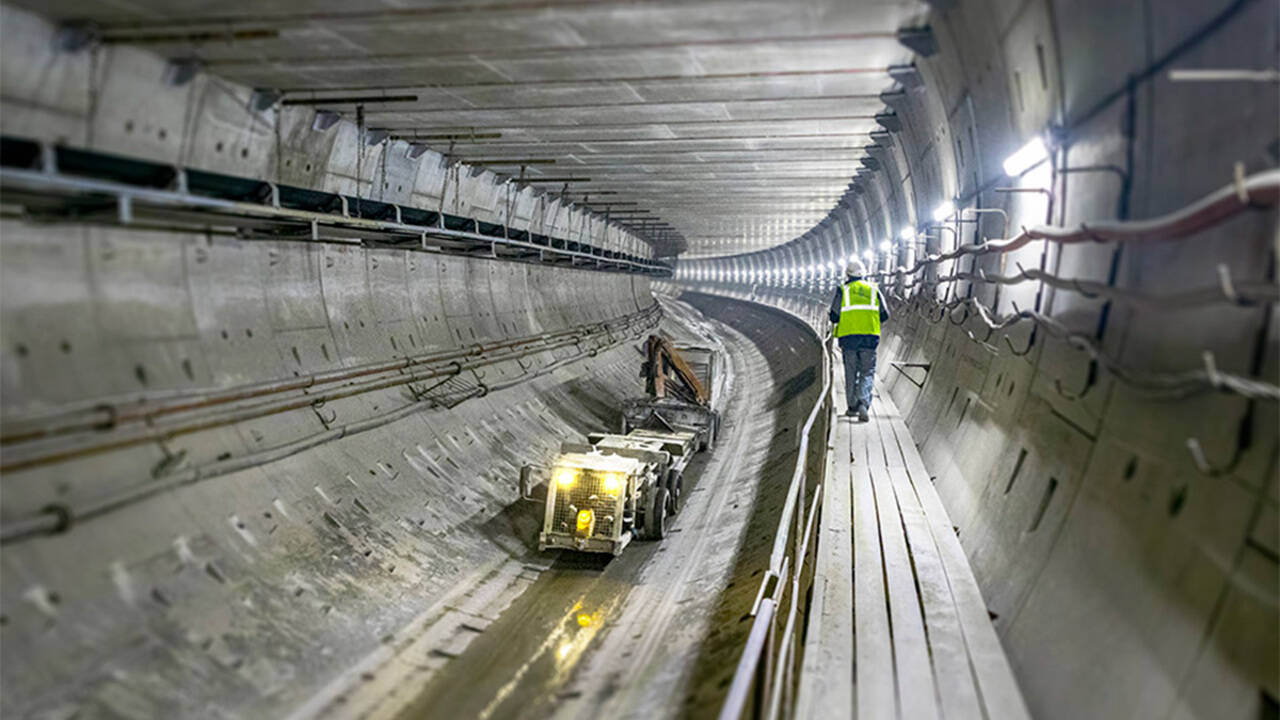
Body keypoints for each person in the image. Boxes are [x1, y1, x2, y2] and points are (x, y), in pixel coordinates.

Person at [828, 259, 889, 422]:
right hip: (869, 337)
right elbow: (885, 314)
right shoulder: (873, 290)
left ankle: (852, 406)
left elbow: (833, 316)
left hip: (848, 338)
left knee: (851, 371)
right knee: (867, 371)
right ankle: (863, 402)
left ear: (847, 274)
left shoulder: (843, 291)